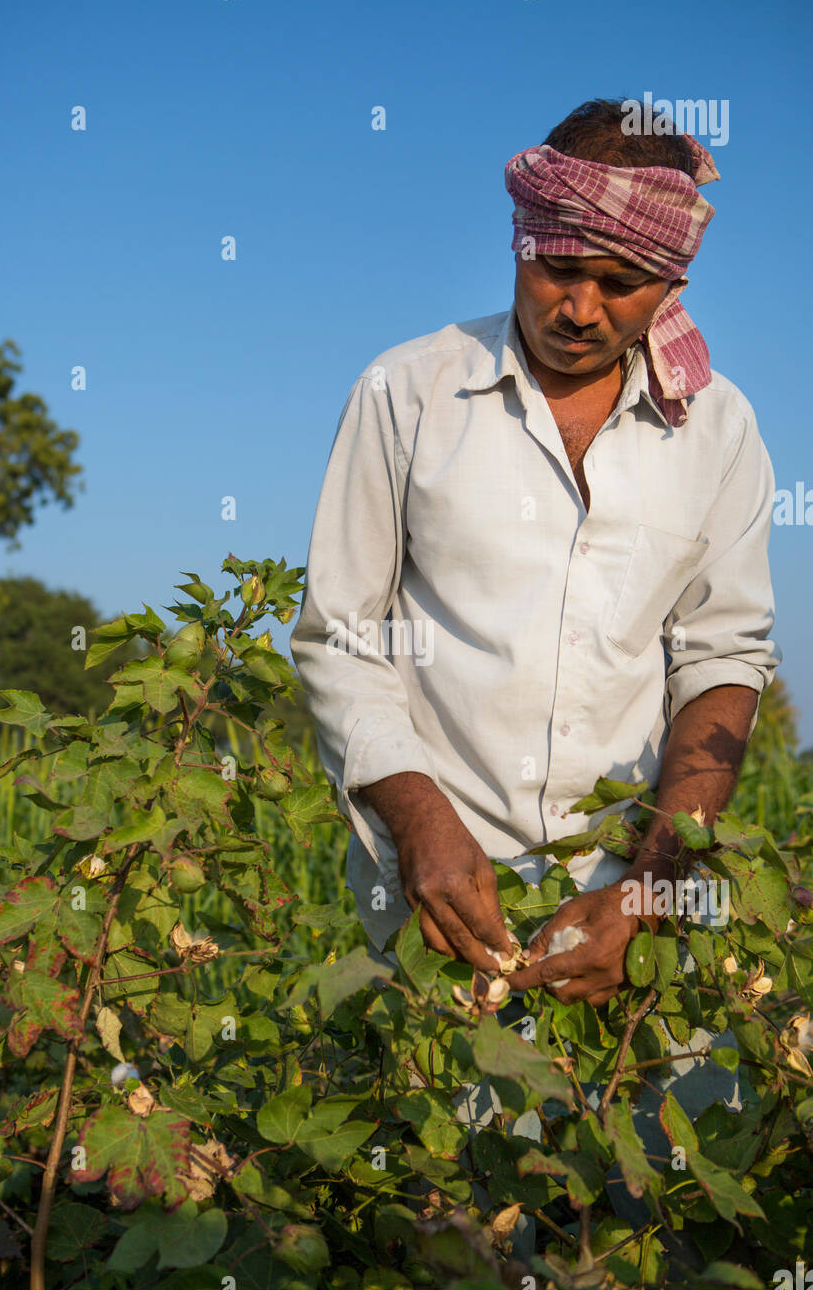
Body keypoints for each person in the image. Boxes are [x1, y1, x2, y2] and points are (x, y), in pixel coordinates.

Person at [290, 98, 781, 1011]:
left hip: (633, 909)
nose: (581, 309)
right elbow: (340, 638)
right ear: (523, 240)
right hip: (442, 900)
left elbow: (723, 661)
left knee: (645, 1141)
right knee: (443, 1142)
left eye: (622, 282)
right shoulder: (408, 392)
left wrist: (651, 889)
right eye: (558, 267)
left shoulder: (719, 428)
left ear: (671, 285)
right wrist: (419, 822)